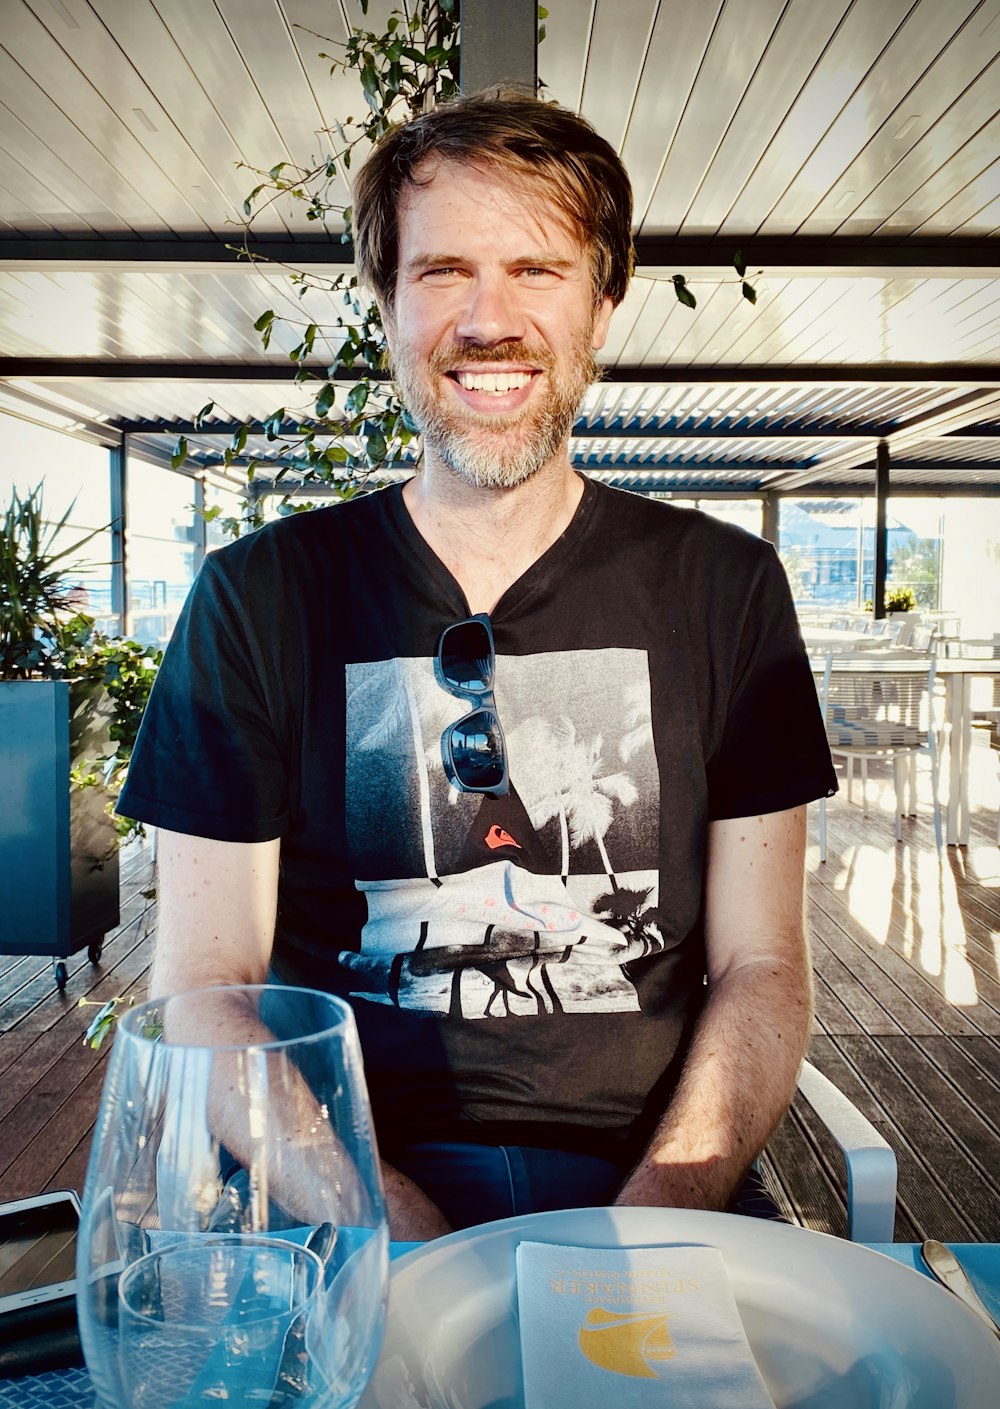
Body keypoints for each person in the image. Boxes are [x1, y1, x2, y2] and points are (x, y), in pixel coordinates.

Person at [119, 90, 837, 1240]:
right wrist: (388, 1222)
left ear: (604, 304)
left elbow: (762, 964)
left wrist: (652, 1220)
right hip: (330, 1180)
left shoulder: (726, 588)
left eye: (538, 271)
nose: (488, 320)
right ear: (390, 306)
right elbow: (206, 988)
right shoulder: (257, 595)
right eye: (443, 271)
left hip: (647, 1176)